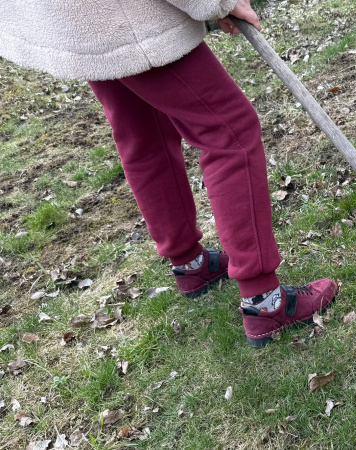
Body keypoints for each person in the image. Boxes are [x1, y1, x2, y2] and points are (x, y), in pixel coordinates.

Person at [0, 0, 337, 348]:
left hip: (74, 20)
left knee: (143, 131)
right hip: (122, 17)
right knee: (230, 131)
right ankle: (265, 302)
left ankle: (191, 266)